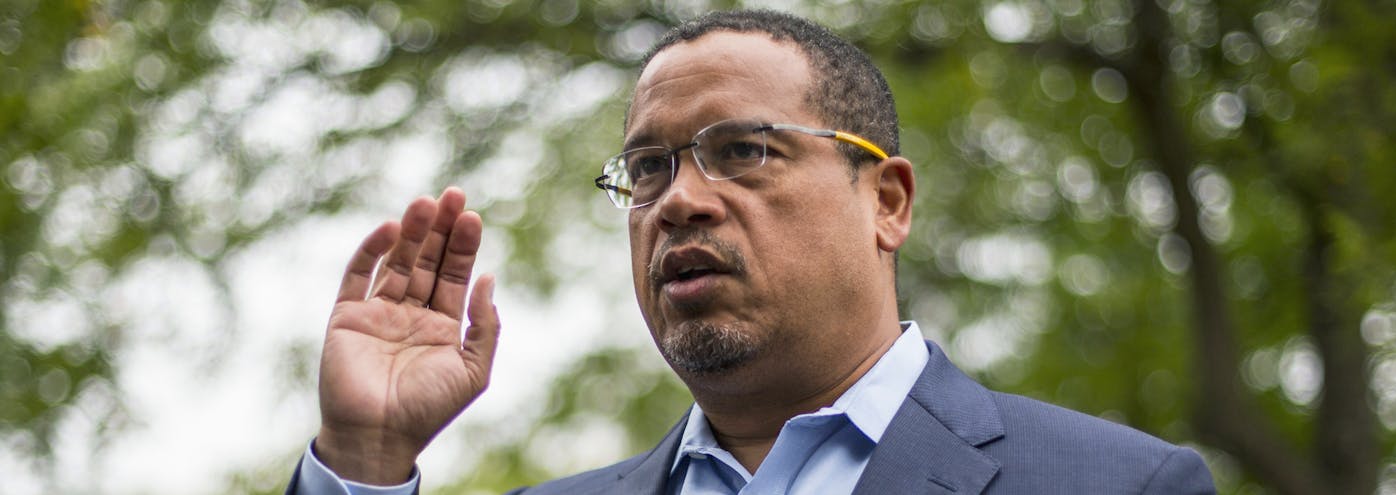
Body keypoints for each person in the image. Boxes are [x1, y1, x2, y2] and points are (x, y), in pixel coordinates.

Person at [286, 9, 1216, 495]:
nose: (681, 200)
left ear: (885, 201)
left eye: (743, 150)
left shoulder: (1118, 486)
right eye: (648, 167)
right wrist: (364, 459)